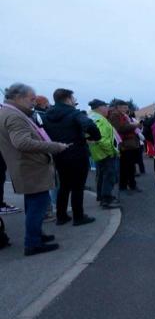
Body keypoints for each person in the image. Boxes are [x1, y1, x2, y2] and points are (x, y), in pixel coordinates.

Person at [0, 83, 69, 255]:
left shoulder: (8, 112)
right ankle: (33, 243)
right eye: (31, 99)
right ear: (18, 98)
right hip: (31, 168)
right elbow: (22, 142)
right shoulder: (15, 116)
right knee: (37, 206)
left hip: (26, 167)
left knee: (34, 205)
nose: (34, 103)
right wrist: (53, 146)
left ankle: (36, 235)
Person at [43, 88, 101, 226]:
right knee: (77, 187)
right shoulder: (74, 113)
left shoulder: (47, 115)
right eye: (73, 98)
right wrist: (94, 136)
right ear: (68, 99)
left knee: (64, 186)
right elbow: (89, 125)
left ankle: (61, 216)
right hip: (77, 153)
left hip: (58, 153)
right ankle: (78, 217)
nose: (74, 101)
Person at [87, 99, 120, 209]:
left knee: (101, 175)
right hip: (104, 153)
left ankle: (101, 197)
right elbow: (101, 138)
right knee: (108, 176)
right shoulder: (99, 119)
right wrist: (111, 152)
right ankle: (106, 199)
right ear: (99, 108)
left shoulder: (92, 117)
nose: (108, 109)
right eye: (105, 106)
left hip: (98, 152)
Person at [110, 100, 142, 192]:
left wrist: (135, 126)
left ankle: (129, 185)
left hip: (129, 144)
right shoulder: (114, 116)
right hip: (124, 145)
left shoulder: (123, 115)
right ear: (118, 107)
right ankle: (126, 186)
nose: (126, 109)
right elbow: (119, 128)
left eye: (127, 108)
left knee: (129, 166)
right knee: (126, 167)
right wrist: (134, 125)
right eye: (124, 107)